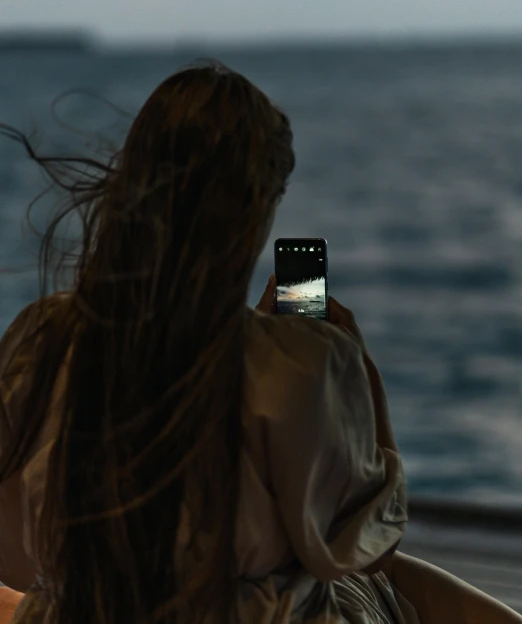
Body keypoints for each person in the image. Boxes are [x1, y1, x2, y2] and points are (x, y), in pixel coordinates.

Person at [0, 64, 520, 624]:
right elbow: (363, 545)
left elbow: (13, 552)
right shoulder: (300, 366)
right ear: (255, 211)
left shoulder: (43, 338)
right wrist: (352, 370)